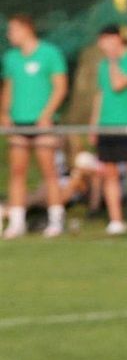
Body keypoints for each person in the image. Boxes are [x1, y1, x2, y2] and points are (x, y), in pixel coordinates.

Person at [1, 14, 68, 239]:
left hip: (43, 122)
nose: (10, 35)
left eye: (13, 30)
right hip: (19, 122)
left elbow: (60, 87)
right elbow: (8, 87)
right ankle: (16, 222)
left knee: (49, 171)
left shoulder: (50, 53)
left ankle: (56, 220)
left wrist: (46, 114)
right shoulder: (11, 58)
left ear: (27, 29)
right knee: (17, 171)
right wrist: (4, 112)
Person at [89, 25, 127, 235]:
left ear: (118, 39)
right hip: (106, 126)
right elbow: (101, 94)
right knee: (109, 174)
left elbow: (118, 84)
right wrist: (94, 125)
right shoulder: (102, 65)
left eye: (106, 40)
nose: (102, 45)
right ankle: (116, 221)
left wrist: (113, 61)